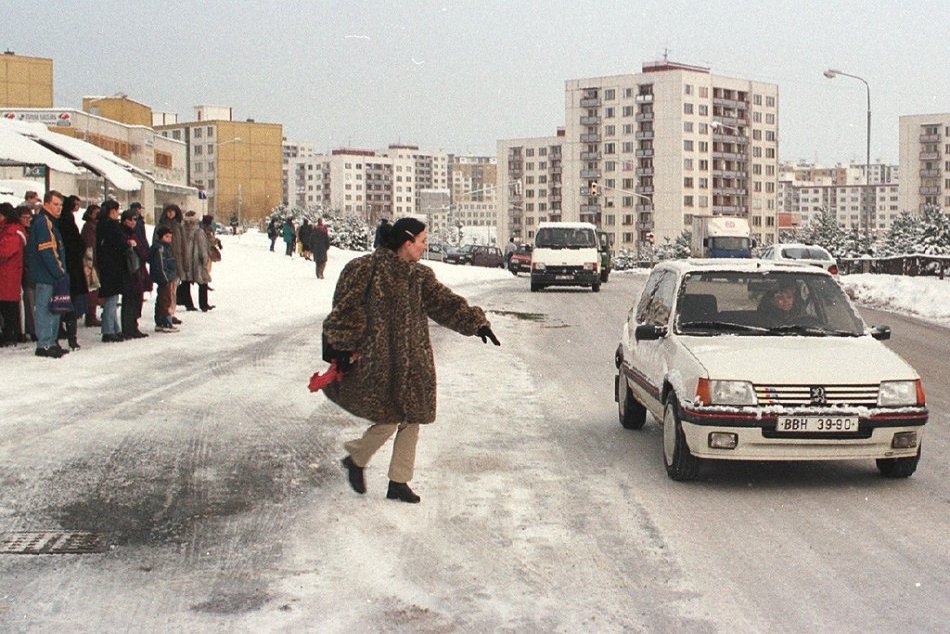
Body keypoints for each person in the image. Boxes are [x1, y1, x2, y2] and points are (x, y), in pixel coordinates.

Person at [323, 217, 501, 504]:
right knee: (389, 417)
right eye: (421, 241)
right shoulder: (366, 269)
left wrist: (475, 323)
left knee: (412, 419)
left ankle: (399, 482)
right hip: (378, 361)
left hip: (414, 361)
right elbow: (345, 309)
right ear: (407, 243)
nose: (424, 247)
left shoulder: (420, 277)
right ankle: (357, 457)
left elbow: (445, 303)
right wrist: (343, 346)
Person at [25, 191, 68, 358]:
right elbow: (47, 250)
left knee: (53, 309)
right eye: (55, 204)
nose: (58, 208)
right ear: (46, 204)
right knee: (45, 309)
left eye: (61, 205)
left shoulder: (49, 221)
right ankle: (44, 344)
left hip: (51, 274)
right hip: (46, 275)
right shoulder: (44, 222)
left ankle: (50, 341)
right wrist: (59, 272)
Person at [57, 195, 89, 350]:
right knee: (70, 304)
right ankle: (71, 337)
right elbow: (77, 243)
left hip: (68, 267)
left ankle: (63, 333)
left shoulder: (60, 221)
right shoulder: (67, 222)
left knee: (63, 303)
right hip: (71, 268)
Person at [95, 200, 126, 342]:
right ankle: (108, 330)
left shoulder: (100, 225)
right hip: (114, 266)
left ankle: (115, 328)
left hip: (105, 265)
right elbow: (120, 243)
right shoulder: (112, 226)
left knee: (111, 298)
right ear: (112, 211)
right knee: (112, 298)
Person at [119, 209, 149, 338]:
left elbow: (143, 250)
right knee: (130, 300)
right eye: (130, 219)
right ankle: (128, 328)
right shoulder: (123, 234)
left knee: (136, 299)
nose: (133, 222)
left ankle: (133, 326)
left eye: (134, 219)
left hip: (137, 270)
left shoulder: (134, 233)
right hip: (129, 271)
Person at [154, 204, 185, 325]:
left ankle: (171, 312)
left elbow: (183, 245)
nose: (171, 214)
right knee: (165, 290)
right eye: (168, 211)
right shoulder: (161, 226)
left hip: (176, 261)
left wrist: (184, 262)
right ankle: (166, 314)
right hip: (165, 261)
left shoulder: (178, 227)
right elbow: (155, 243)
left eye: (173, 212)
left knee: (173, 290)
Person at [0, 204, 26, 346]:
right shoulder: (10, 230)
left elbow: (4, 251)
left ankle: (11, 334)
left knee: (9, 307)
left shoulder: (12, 232)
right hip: (7, 275)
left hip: (8, 275)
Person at [149, 226, 179, 332]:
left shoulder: (165, 248)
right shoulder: (160, 249)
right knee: (165, 300)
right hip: (164, 278)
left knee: (162, 299)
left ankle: (160, 322)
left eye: (170, 237)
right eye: (167, 237)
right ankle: (166, 322)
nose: (169, 239)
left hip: (166, 277)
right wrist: (165, 278)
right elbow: (161, 265)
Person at [80, 204, 102, 327]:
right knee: (92, 289)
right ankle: (90, 316)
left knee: (94, 289)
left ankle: (91, 314)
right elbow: (90, 245)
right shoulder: (89, 227)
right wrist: (93, 260)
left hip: (91, 259)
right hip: (90, 260)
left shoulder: (93, 226)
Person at [191, 215, 216, 311]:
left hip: (200, 259)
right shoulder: (200, 232)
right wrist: (205, 258)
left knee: (203, 282)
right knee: (203, 282)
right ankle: (203, 304)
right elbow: (202, 246)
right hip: (200, 260)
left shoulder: (203, 230)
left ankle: (204, 303)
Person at [177, 210, 199, 310]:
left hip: (183, 256)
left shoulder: (181, 226)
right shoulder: (195, 227)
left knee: (185, 281)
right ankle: (187, 303)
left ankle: (186, 302)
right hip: (191, 257)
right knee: (186, 281)